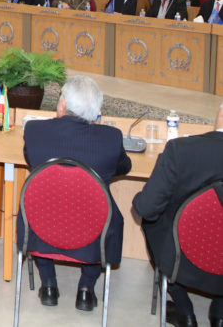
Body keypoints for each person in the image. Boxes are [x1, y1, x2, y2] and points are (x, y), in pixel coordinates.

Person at [19, 75, 131, 312]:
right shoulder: (112, 138)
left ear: (61, 105)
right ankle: (86, 288)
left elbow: (30, 158)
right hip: (92, 227)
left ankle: (48, 284)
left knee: (44, 206)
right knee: (103, 213)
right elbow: (124, 167)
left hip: (42, 223)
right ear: (96, 112)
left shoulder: (34, 130)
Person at [133, 106, 223, 327]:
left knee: (152, 220)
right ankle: (220, 313)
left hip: (182, 255)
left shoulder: (180, 150)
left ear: (219, 115)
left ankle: (184, 310)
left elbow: (146, 208)